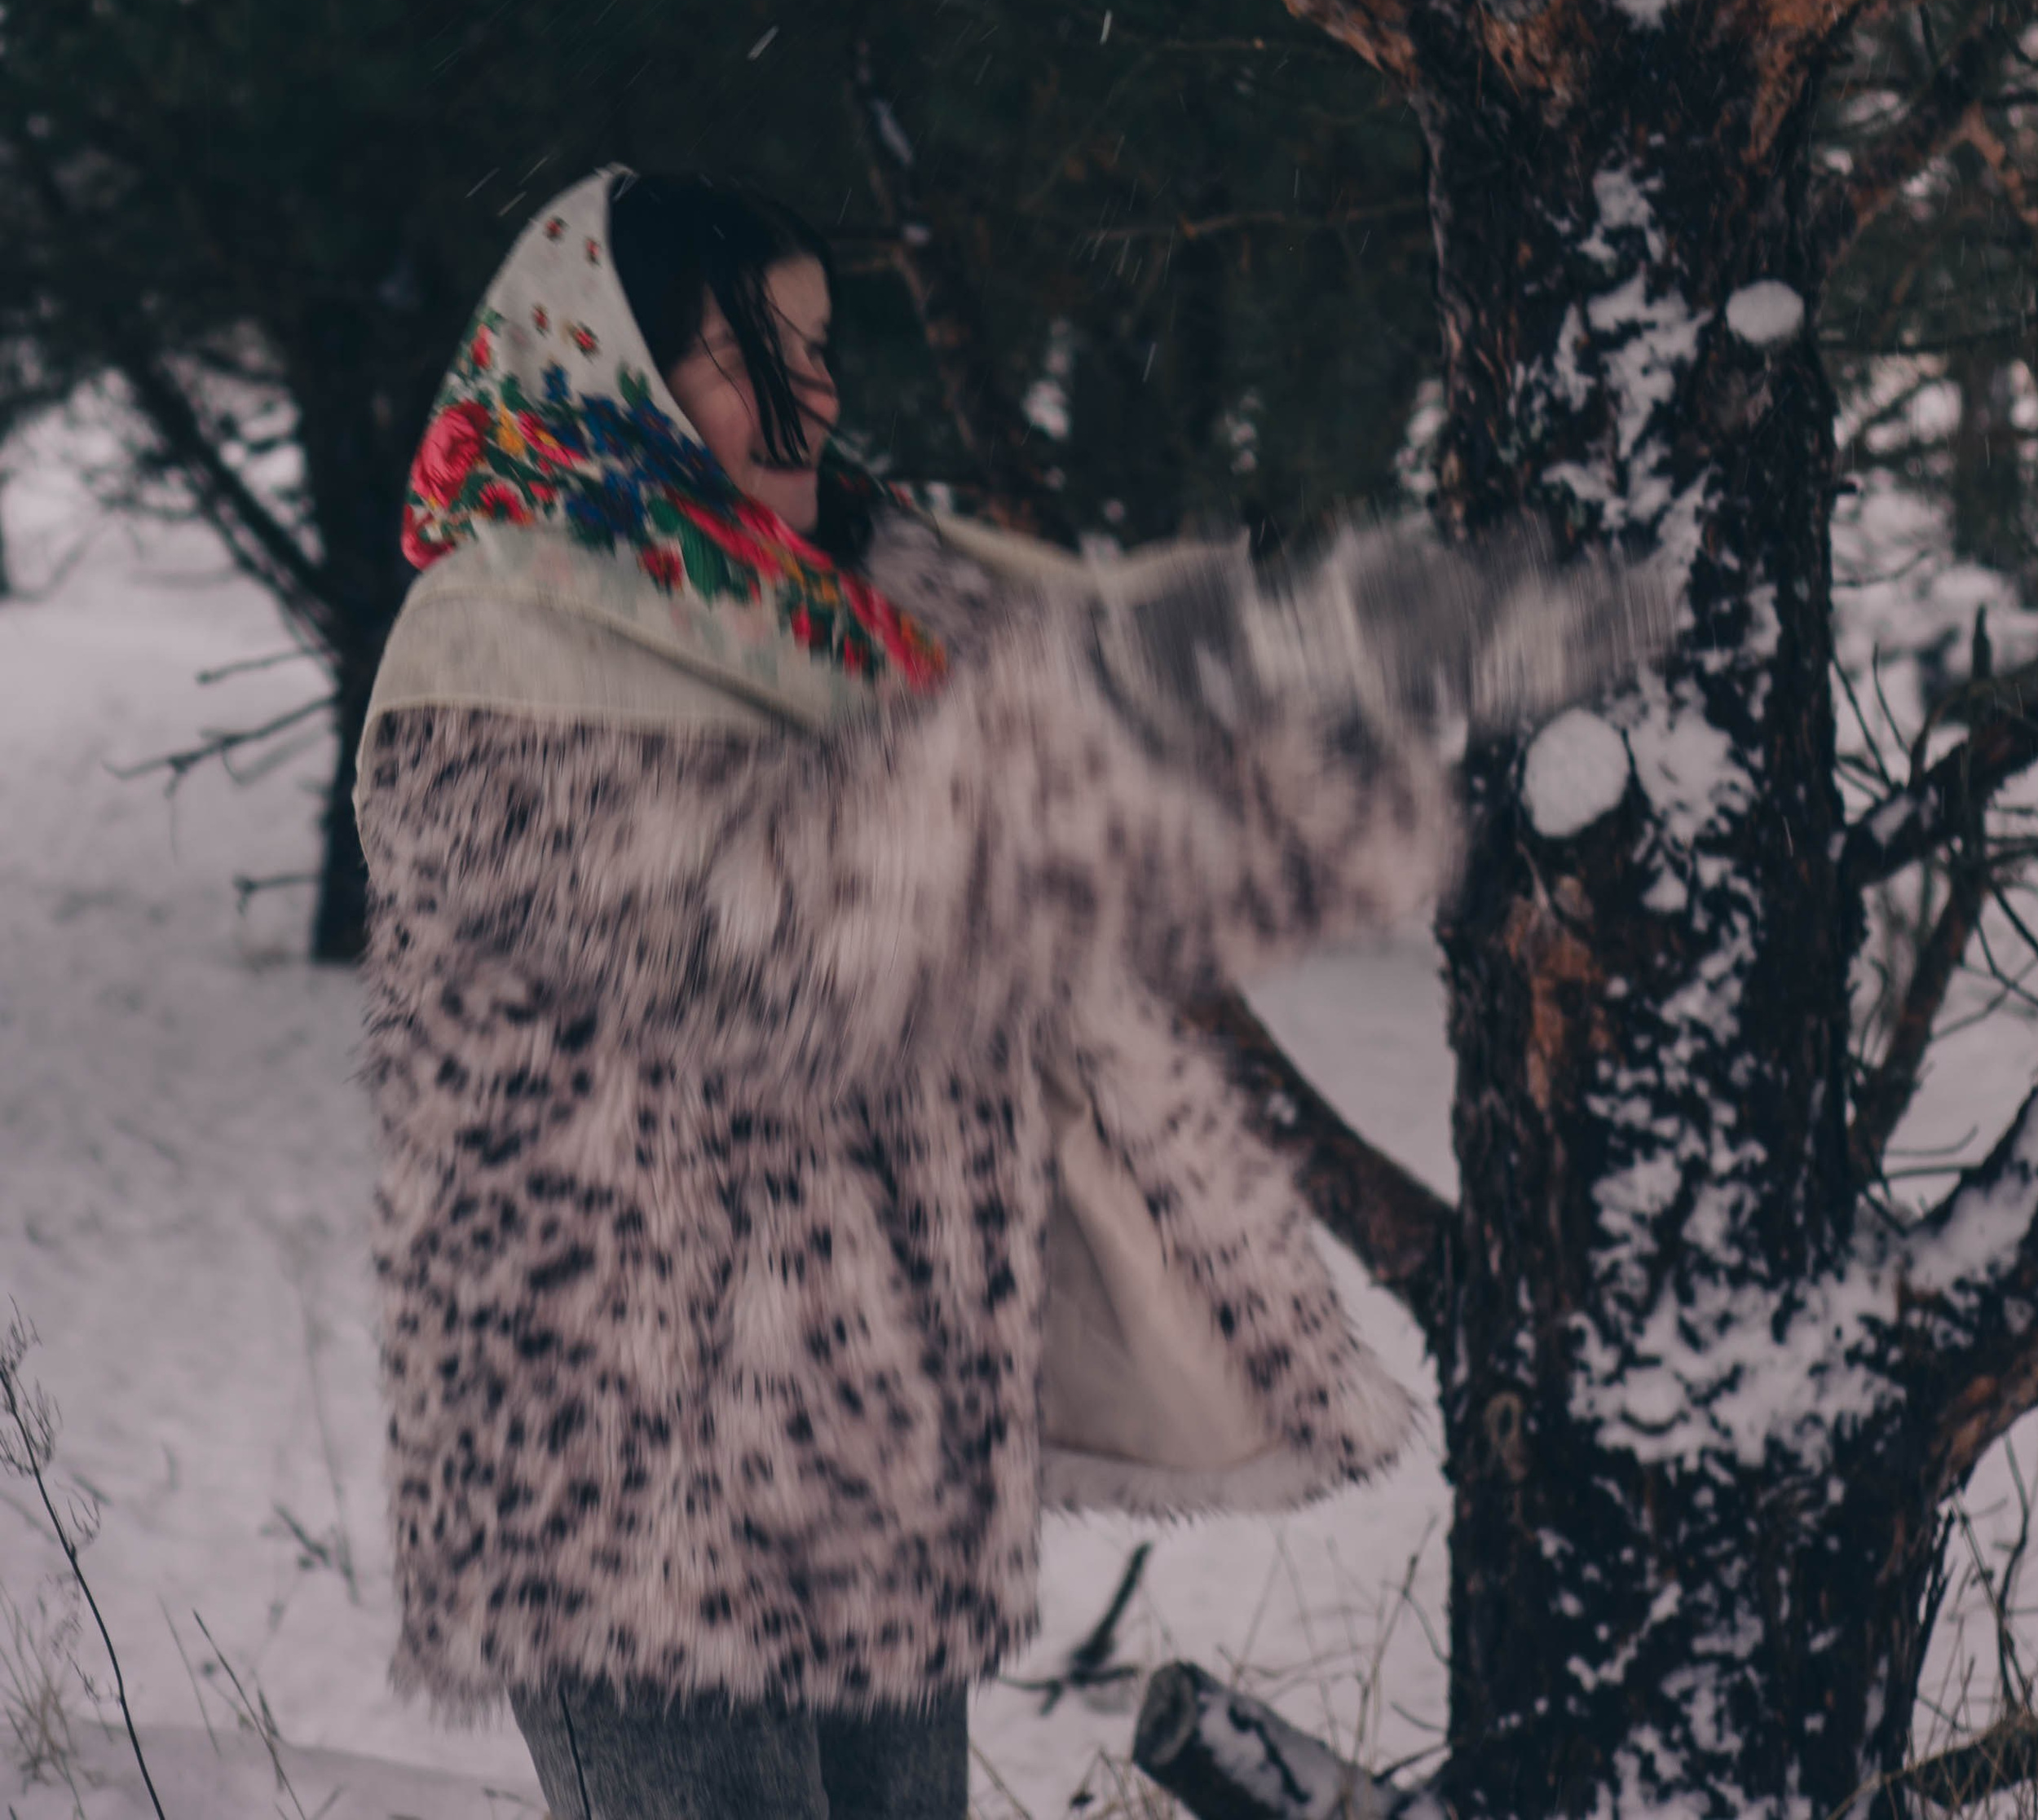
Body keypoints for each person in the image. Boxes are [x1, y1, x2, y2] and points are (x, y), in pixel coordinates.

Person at [355, 165, 1661, 1820]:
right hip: (631, 1462)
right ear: (599, 368)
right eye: (740, 354)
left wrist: (1339, 679)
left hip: (889, 1436)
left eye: (816, 349)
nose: (808, 397)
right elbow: (795, 924)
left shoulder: (865, 605)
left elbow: (1110, 805)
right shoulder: (494, 657)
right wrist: (1113, 704)